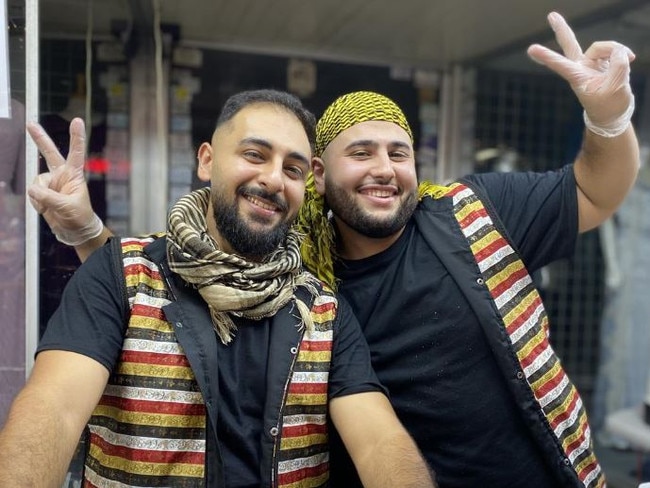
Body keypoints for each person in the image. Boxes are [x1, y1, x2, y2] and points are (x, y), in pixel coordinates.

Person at [23, 11, 639, 488]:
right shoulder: (303, 279)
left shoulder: (462, 216)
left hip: (559, 469)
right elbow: (162, 287)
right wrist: (87, 236)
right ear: (322, 177)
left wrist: (609, 118)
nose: (384, 168)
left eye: (399, 153)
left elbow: (594, 190)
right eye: (361, 153)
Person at [0, 90, 436, 488]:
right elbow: (53, 409)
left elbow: (379, 441)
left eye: (293, 168)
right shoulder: (122, 274)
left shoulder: (321, 310)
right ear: (206, 160)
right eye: (254, 154)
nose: (272, 179)